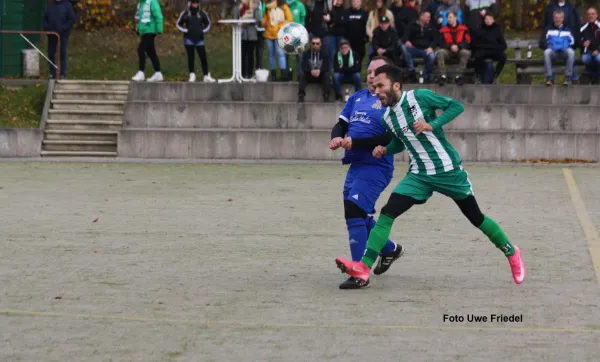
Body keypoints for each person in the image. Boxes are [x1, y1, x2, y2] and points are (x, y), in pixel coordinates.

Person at [335, 64, 526, 287]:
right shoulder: (387, 116)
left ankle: (511, 252)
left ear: (396, 85)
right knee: (387, 212)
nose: (376, 91)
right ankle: (364, 268)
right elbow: (400, 140)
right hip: (418, 175)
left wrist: (431, 124)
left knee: (476, 218)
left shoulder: (420, 97)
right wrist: (386, 149)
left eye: (381, 86)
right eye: (374, 86)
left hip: (447, 171)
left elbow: (456, 106)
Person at [329, 56, 404, 289]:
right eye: (369, 71)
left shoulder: (388, 101)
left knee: (354, 209)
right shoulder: (357, 97)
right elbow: (341, 123)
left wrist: (357, 142)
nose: (372, 76)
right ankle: (390, 248)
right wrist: (337, 136)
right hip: (355, 165)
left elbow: (389, 137)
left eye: (377, 72)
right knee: (357, 215)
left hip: (376, 165)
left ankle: (359, 272)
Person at [177, 0, 216, 83]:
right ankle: (192, 74)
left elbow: (208, 23)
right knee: (191, 58)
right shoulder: (185, 13)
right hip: (189, 39)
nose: (195, 4)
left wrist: (202, 31)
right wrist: (185, 30)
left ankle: (205, 75)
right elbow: (178, 24)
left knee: (203, 57)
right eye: (193, 2)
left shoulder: (202, 13)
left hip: (200, 40)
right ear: (190, 3)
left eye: (196, 2)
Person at [540, 9, 576, 86]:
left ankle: (568, 77)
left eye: (560, 18)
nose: (558, 19)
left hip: (564, 51)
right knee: (546, 52)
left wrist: (566, 45)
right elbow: (542, 43)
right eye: (556, 18)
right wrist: (549, 45)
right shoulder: (548, 29)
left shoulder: (568, 29)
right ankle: (549, 78)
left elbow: (573, 43)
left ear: (562, 19)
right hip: (553, 52)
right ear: (553, 18)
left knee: (571, 52)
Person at [401, 11, 437, 83]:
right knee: (403, 47)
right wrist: (407, 41)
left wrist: (431, 47)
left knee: (433, 56)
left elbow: (436, 40)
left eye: (429, 17)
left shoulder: (431, 27)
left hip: (426, 50)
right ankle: (411, 70)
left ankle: (426, 74)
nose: (429, 19)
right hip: (414, 48)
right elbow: (404, 36)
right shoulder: (412, 25)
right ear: (421, 17)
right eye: (428, 17)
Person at [42, 0, 75, 80]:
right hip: (51, 34)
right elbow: (45, 19)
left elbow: (71, 20)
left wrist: (63, 28)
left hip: (62, 34)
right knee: (51, 53)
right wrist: (47, 28)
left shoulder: (67, 5)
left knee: (62, 53)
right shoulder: (50, 6)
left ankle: (62, 74)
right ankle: (52, 73)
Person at [436, 11, 471, 85]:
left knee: (466, 52)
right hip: (448, 51)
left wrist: (459, 46)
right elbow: (440, 42)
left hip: (460, 51)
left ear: (455, 17)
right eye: (447, 18)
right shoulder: (443, 29)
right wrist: (450, 46)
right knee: (440, 52)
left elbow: (468, 41)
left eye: (450, 17)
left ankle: (459, 76)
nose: (448, 19)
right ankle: (443, 76)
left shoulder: (464, 29)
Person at [132, 0, 164, 82]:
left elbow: (158, 16)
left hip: (150, 30)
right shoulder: (141, 3)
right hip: (144, 30)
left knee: (141, 49)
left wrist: (160, 30)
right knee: (151, 52)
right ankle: (158, 73)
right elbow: (141, 18)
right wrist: (138, 28)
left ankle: (141, 72)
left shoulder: (152, 2)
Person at [471, 13, 506, 84]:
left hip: (494, 51)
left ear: (493, 20)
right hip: (482, 51)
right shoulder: (479, 30)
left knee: (503, 57)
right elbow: (474, 44)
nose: (488, 21)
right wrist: (482, 47)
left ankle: (495, 76)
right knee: (478, 56)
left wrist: (495, 48)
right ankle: (478, 77)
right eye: (486, 19)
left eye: (490, 19)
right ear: (484, 20)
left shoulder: (497, 30)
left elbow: (503, 45)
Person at [263, 0, 293, 81]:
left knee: (280, 53)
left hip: (279, 34)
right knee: (270, 55)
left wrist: (280, 26)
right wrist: (264, 22)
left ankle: (284, 74)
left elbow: (290, 19)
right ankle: (273, 75)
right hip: (269, 34)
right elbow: (265, 19)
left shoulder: (284, 6)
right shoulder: (268, 7)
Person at [298, 35, 331, 102]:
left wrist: (320, 71)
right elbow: (304, 65)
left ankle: (326, 95)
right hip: (310, 75)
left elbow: (326, 66)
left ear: (320, 44)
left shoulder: (324, 54)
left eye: (317, 43)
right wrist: (311, 71)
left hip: (320, 75)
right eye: (313, 43)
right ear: (311, 44)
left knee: (326, 75)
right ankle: (301, 95)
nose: (315, 45)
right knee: (302, 75)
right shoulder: (306, 54)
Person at [286, 0, 307, 80]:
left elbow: (302, 19)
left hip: (298, 34)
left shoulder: (299, 5)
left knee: (299, 55)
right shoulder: (283, 5)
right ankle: (287, 75)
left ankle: (300, 75)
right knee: (285, 55)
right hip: (286, 34)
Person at [580, 7, 600, 84]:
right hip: (587, 52)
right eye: (589, 14)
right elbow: (578, 40)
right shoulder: (583, 27)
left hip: (598, 51)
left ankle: (596, 77)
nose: (590, 16)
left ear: (596, 15)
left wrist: (598, 50)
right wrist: (583, 43)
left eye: (592, 14)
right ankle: (595, 75)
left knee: (599, 59)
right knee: (585, 59)